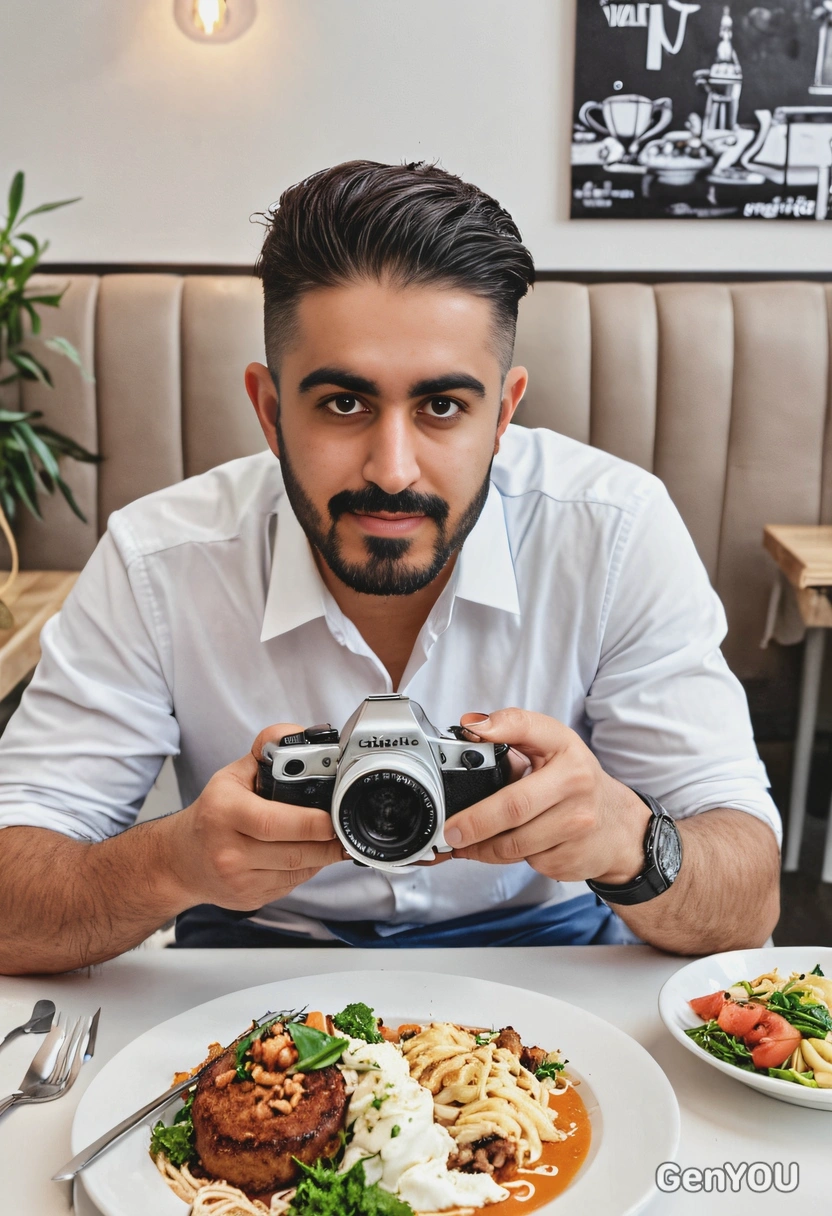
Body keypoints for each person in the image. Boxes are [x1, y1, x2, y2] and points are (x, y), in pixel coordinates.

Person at [0, 161, 780, 974]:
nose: (393, 469)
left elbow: (750, 897)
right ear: (270, 410)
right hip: (252, 949)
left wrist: (628, 839)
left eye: (443, 406)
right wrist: (170, 864)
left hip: (550, 950)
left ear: (503, 413)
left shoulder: (615, 532)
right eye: (344, 403)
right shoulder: (157, 559)